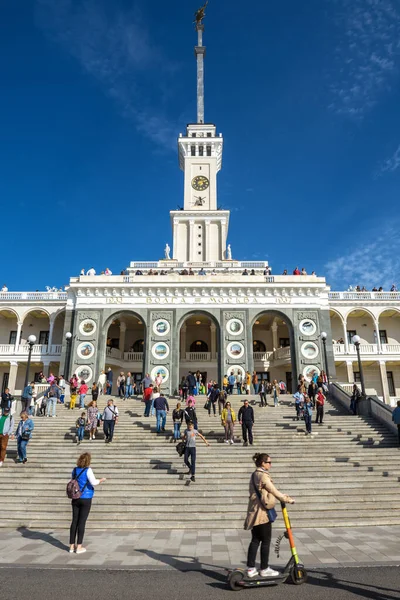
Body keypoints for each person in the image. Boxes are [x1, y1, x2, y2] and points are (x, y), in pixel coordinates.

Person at [244, 453, 295, 578]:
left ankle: (251, 568)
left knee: (255, 540)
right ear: (263, 463)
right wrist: (287, 499)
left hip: (254, 511)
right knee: (266, 541)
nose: (270, 464)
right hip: (262, 513)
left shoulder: (254, 474)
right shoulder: (263, 476)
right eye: (269, 462)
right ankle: (264, 568)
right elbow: (273, 490)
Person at [69, 452, 106, 553]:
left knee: (74, 521)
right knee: (82, 522)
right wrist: (101, 480)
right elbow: (94, 482)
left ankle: (71, 546)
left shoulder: (75, 470)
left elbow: (72, 480)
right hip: (86, 498)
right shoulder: (88, 470)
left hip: (75, 497)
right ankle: (79, 546)